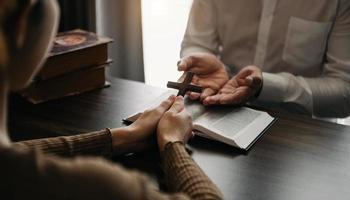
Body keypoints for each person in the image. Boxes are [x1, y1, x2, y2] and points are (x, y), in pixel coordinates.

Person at [0, 1, 223, 199]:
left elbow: (13, 154)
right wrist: (172, 143)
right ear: (21, 24)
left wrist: (122, 137)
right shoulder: (99, 187)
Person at [178, 0, 350, 118]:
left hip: (303, 134)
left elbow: (345, 92)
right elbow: (196, 43)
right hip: (219, 114)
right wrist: (204, 65)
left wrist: (266, 86)